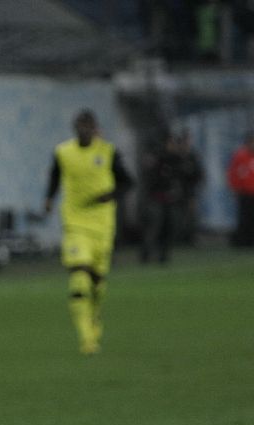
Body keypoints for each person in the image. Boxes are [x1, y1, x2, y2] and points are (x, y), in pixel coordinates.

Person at [44, 109, 134, 356]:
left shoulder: (107, 152)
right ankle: (86, 339)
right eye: (80, 126)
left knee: (97, 285)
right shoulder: (63, 152)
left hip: (102, 225)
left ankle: (94, 319)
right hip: (75, 222)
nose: (84, 130)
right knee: (79, 276)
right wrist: (49, 200)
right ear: (75, 128)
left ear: (95, 128)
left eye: (88, 126)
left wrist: (111, 195)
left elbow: (128, 182)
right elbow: (54, 177)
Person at [140, 131, 186, 264]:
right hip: (156, 199)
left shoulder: (176, 159)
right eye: (171, 142)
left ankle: (164, 254)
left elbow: (182, 177)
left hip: (171, 200)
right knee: (154, 227)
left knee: (171, 227)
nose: (173, 145)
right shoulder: (156, 158)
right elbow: (150, 179)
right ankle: (146, 255)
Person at [226, 131, 254, 248]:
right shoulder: (240, 156)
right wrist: (234, 188)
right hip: (244, 192)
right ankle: (243, 241)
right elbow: (233, 174)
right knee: (244, 217)